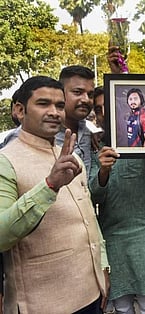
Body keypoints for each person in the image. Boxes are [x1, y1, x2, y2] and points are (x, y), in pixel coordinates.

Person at [0, 76, 109, 313]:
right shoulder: (5, 161)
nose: (54, 112)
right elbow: (2, 235)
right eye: (43, 104)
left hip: (90, 293)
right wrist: (49, 186)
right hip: (42, 302)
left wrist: (103, 267)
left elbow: (89, 218)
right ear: (20, 110)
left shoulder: (71, 155)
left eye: (59, 105)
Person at [90, 137, 145, 314]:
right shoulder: (96, 148)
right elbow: (93, 196)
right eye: (98, 110)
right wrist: (103, 171)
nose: (103, 113)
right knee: (122, 307)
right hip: (113, 239)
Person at [57, 65, 95, 176]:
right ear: (61, 93)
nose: (86, 99)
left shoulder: (89, 132)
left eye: (90, 94)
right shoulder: (43, 134)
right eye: (78, 92)